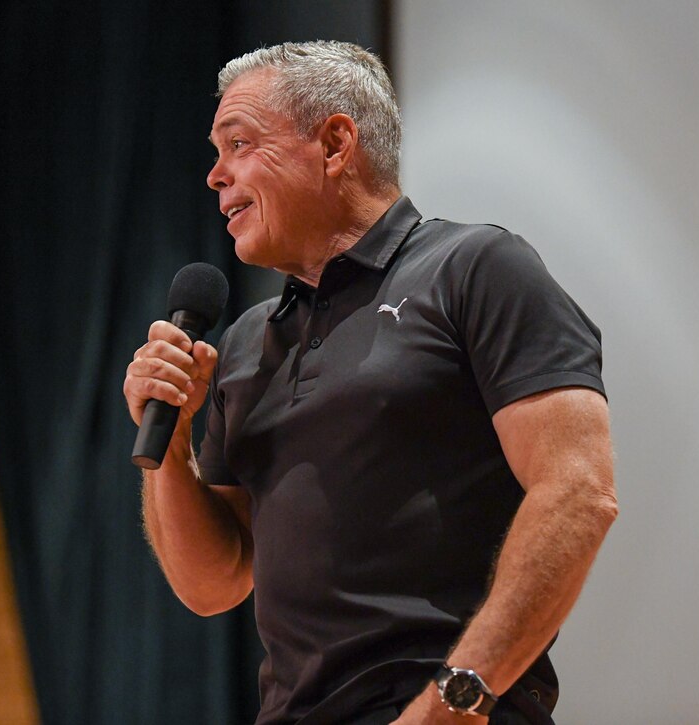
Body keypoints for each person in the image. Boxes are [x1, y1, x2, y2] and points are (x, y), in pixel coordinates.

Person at [123, 41, 616, 725]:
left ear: (334, 144)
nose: (214, 175)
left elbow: (579, 490)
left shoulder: (474, 269)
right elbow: (212, 583)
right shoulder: (242, 344)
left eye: (238, 144)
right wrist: (170, 445)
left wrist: (454, 701)